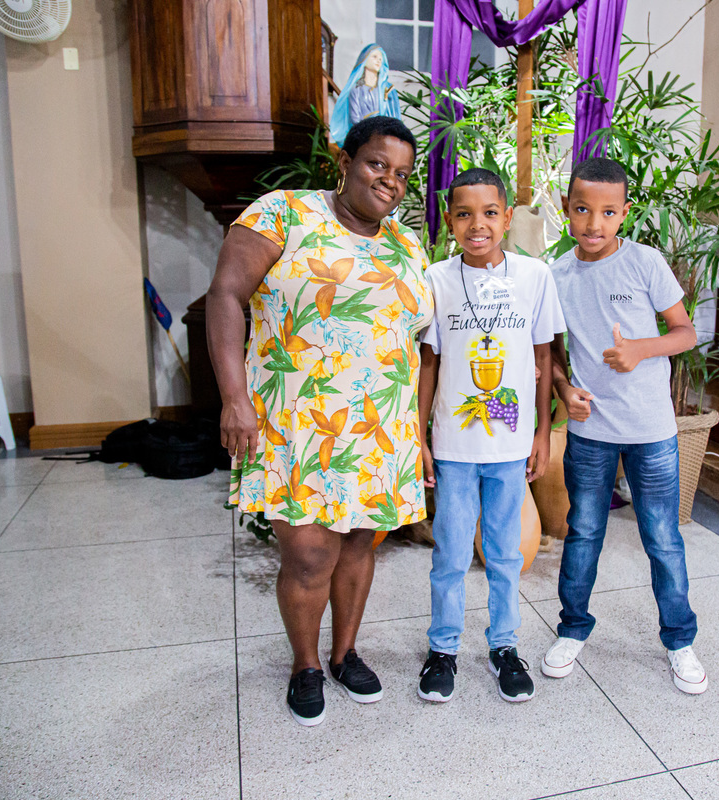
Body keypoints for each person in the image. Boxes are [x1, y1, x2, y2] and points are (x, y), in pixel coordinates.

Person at [206, 116, 434, 726]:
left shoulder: (407, 244)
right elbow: (225, 295)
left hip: (378, 426)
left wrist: (417, 431)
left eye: (402, 174)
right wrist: (233, 399)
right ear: (345, 161)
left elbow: (417, 340)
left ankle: (344, 653)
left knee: (360, 544)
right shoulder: (283, 213)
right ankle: (305, 664)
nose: (389, 180)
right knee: (309, 554)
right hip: (295, 423)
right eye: (377, 164)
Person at [541, 157, 708, 695]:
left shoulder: (645, 262)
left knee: (661, 537)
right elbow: (553, 353)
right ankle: (572, 629)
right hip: (590, 432)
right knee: (584, 532)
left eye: (608, 212)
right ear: (565, 209)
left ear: (625, 213)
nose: (594, 223)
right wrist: (565, 392)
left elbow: (685, 332)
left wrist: (640, 349)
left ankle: (680, 640)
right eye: (582, 209)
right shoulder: (556, 276)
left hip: (651, 430)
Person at [415, 168, 565, 704]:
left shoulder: (534, 276)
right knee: (451, 554)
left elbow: (544, 357)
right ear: (449, 220)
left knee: (505, 553)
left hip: (511, 443)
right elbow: (429, 363)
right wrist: (420, 436)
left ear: (506, 216)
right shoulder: (436, 278)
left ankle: (504, 646)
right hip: (454, 445)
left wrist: (542, 431)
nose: (477, 224)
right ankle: (443, 649)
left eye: (489, 213)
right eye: (464, 214)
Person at [329, 45, 402, 148]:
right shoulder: (356, 89)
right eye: (374, 57)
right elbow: (355, 119)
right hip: (363, 139)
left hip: (385, 138)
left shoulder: (388, 89)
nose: (378, 61)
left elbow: (395, 118)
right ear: (364, 59)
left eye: (381, 59)